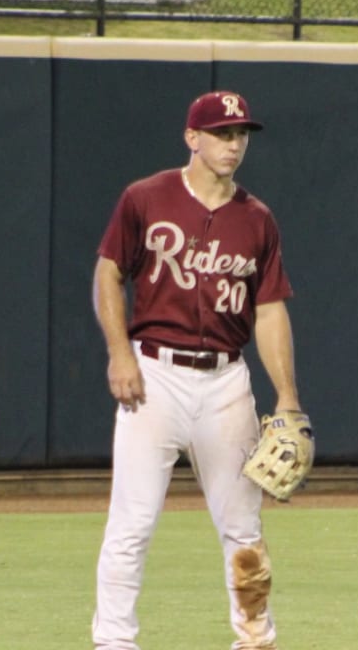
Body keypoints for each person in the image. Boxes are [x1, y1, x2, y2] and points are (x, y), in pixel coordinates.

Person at [91, 90, 302, 650]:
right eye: (222, 134)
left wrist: (286, 398)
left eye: (241, 135)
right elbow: (108, 273)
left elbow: (269, 308)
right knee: (132, 524)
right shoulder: (146, 198)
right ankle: (113, 643)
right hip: (154, 376)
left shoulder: (257, 219)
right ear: (193, 138)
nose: (234, 144)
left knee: (244, 530)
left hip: (227, 381)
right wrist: (119, 353)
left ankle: (255, 639)